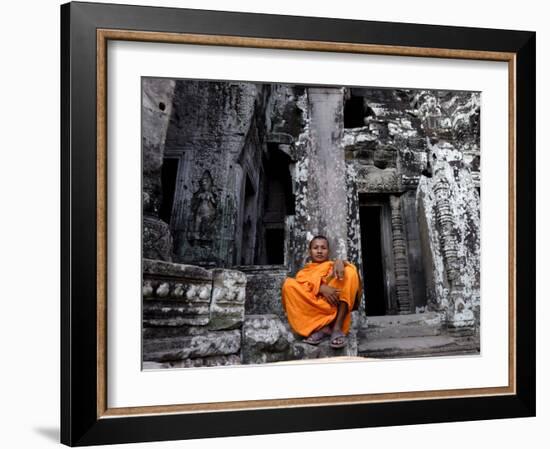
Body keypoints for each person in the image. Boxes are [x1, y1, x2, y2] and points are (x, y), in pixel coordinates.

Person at [282, 235, 360, 349]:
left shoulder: (333, 266)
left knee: (349, 272)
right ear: (310, 252)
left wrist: (340, 262)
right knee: (288, 285)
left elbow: (346, 277)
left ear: (328, 251)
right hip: (317, 309)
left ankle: (337, 328)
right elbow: (302, 286)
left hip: (334, 304)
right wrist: (320, 287)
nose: (319, 251)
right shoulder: (304, 272)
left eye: (323, 248)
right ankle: (322, 328)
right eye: (315, 248)